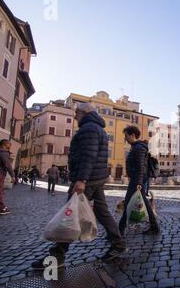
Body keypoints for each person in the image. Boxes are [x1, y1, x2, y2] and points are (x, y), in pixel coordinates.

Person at [32, 103, 126, 270]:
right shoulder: (98, 128)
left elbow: (89, 156)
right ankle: (118, 243)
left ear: (84, 113)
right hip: (96, 177)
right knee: (102, 213)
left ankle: (56, 256)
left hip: (88, 179)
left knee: (70, 213)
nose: (75, 116)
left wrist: (81, 179)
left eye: (77, 112)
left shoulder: (89, 129)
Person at [119, 125, 160, 236]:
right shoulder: (136, 147)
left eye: (126, 136)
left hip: (137, 180)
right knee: (142, 203)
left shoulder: (139, 148)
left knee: (128, 203)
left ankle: (119, 230)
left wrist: (139, 182)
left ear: (133, 135)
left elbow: (141, 166)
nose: (125, 139)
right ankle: (154, 227)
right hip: (137, 179)